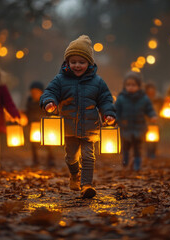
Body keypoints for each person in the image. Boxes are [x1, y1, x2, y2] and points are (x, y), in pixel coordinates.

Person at [40, 35, 116, 199]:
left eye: (81, 62)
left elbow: (105, 99)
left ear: (89, 63)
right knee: (71, 157)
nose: (77, 65)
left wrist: (108, 113)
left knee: (89, 157)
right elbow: (49, 92)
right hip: (68, 128)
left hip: (90, 128)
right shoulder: (60, 80)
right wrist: (49, 102)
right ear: (67, 62)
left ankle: (86, 185)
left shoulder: (97, 82)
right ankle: (75, 175)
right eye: (73, 61)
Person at [115, 72, 157, 171]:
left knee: (138, 148)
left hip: (139, 128)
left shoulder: (144, 98)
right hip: (126, 127)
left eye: (133, 85)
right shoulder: (121, 98)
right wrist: (115, 119)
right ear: (124, 86)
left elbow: (149, 109)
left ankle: (137, 164)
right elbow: (116, 110)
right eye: (128, 85)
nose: (131, 87)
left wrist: (152, 115)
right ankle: (125, 161)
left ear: (139, 86)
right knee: (126, 146)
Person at [24, 81, 55, 168]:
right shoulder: (29, 101)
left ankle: (50, 158)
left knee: (48, 143)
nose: (35, 94)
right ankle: (35, 159)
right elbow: (28, 112)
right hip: (33, 126)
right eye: (33, 92)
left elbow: (49, 112)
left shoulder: (45, 101)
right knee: (34, 143)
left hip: (44, 125)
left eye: (37, 92)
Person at [144, 82, 164, 159]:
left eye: (152, 92)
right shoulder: (144, 100)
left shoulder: (158, 100)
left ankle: (153, 152)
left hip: (156, 122)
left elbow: (162, 108)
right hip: (147, 122)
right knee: (147, 139)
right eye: (149, 93)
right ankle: (148, 152)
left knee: (155, 139)